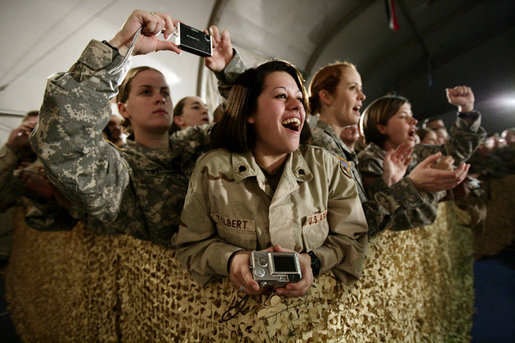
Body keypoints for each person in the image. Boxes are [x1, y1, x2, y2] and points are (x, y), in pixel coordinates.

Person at [205, 37, 473, 236]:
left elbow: (358, 208)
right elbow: (351, 224)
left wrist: (388, 181)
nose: (362, 96)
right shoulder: (316, 144)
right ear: (326, 96)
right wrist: (412, 186)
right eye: (353, 88)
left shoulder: (334, 146)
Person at [29, 10, 232, 247]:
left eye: (165, 93)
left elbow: (253, 124)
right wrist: (122, 48)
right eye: (146, 92)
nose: (160, 99)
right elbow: (62, 142)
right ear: (123, 109)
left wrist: (229, 72)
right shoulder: (120, 173)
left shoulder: (197, 140)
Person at [175, 61, 368, 297]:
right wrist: (231, 260)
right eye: (281, 96)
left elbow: (353, 238)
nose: (297, 105)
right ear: (250, 113)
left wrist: (313, 262)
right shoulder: (212, 170)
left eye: (299, 98)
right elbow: (191, 246)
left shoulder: (327, 168)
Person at [358, 89, 485, 199]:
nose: (414, 121)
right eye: (403, 116)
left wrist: (466, 109)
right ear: (382, 128)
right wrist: (431, 183)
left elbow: (454, 152)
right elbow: (387, 214)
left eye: (411, 115)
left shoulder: (415, 151)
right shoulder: (369, 162)